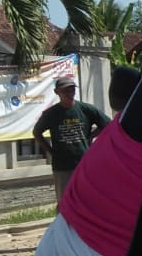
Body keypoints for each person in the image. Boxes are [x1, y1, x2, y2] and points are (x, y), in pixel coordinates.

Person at [33, 76, 110, 205]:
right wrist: (51, 151)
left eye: (72, 90)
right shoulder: (51, 114)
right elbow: (37, 133)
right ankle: (64, 224)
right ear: (57, 92)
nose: (70, 94)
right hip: (62, 166)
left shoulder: (86, 109)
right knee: (64, 201)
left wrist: (90, 136)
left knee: (87, 199)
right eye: (66, 91)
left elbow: (107, 124)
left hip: (84, 163)